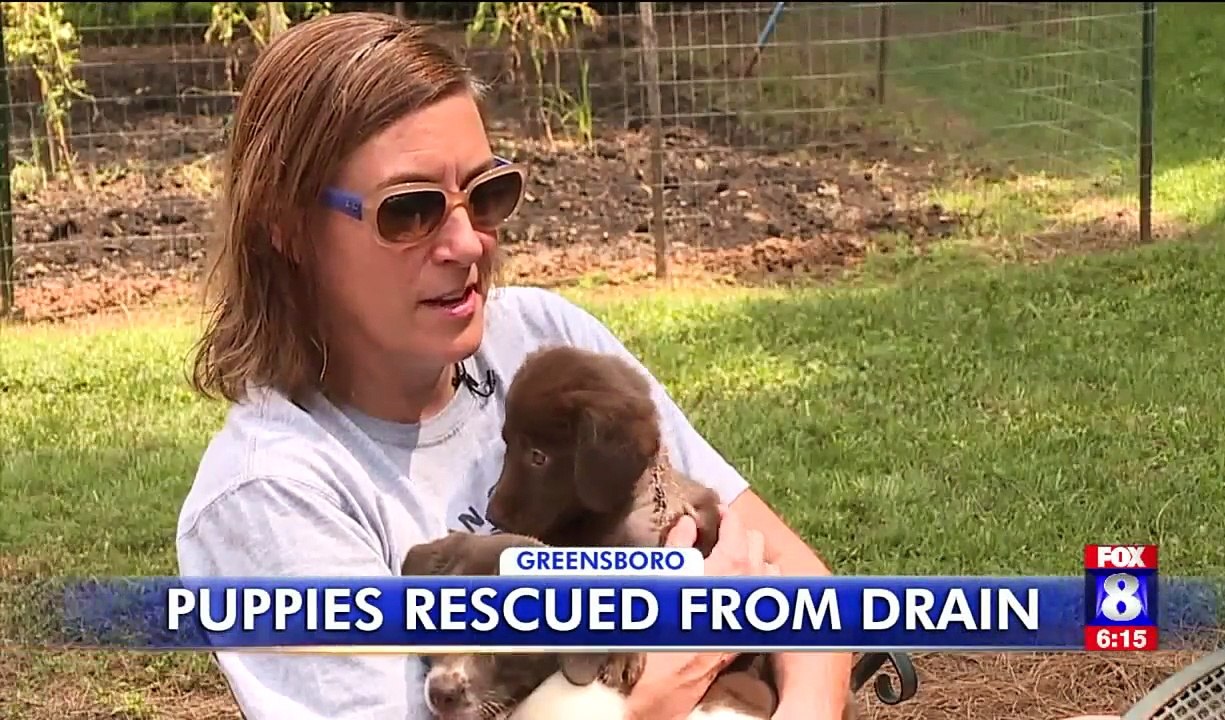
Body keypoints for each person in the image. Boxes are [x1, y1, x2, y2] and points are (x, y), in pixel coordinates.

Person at [177, 10, 852, 720]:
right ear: (288, 226)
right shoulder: (273, 493)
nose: (468, 243)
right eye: (409, 212)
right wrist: (665, 683)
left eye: (487, 194)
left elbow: (802, 589)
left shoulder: (542, 342)